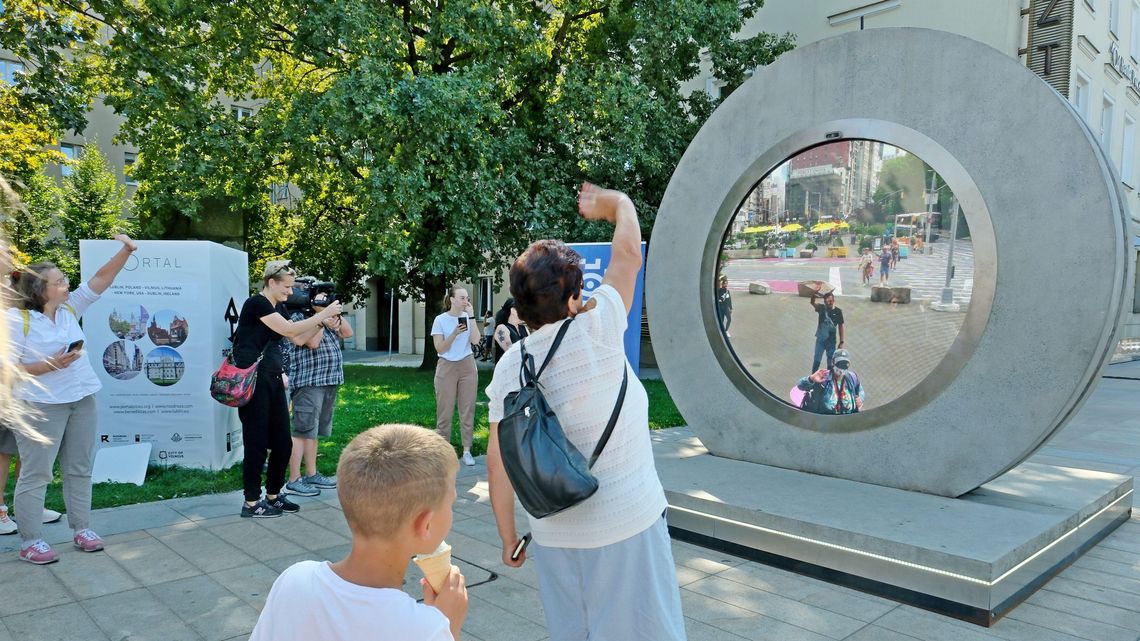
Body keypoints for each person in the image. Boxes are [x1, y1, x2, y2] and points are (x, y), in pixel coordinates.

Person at [486, 183, 686, 641]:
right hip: (628, 522)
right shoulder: (601, 327)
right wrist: (619, 203)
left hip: (554, 534)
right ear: (574, 299)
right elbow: (628, 256)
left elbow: (499, 462)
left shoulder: (510, 367)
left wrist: (507, 535)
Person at [249, 424, 468, 641]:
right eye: (451, 504)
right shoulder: (424, 629)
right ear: (425, 525)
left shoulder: (295, 579)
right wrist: (448, 628)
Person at [7, 234, 138, 564]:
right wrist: (48, 365)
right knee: (36, 474)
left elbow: (102, 278)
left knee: (79, 468)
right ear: (40, 290)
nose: (66, 284)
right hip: (39, 405)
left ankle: (82, 529)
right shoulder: (15, 320)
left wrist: (126, 250)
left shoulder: (68, 309)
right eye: (59, 281)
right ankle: (31, 541)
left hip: (81, 398)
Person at [231, 260, 343, 518]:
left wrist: (321, 323)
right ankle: (251, 503)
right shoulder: (257, 304)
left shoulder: (278, 306)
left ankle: (273, 495)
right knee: (256, 443)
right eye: (287, 287)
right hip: (254, 381)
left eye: (292, 287)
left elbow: (298, 338)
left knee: (282, 442)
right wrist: (322, 314)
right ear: (271, 282)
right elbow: (289, 328)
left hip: (272, 379)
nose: (291, 292)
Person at [282, 287, 353, 498]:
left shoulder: (325, 316)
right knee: (301, 431)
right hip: (308, 383)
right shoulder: (298, 318)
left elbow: (347, 333)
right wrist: (321, 318)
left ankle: (311, 474)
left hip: (328, 380)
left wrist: (332, 312)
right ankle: (294, 479)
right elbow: (311, 343)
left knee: (312, 432)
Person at [432, 287, 481, 467]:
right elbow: (440, 348)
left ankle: (467, 450)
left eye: (467, 298)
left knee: (467, 409)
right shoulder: (440, 320)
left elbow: (476, 340)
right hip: (446, 366)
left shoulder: (468, 317)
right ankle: (443, 453)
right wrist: (454, 333)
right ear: (452, 299)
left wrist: (472, 317)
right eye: (462, 298)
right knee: (444, 411)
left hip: (467, 365)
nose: (466, 301)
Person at [797, 349, 864, 414]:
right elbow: (800, 385)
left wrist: (860, 399)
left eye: (845, 364)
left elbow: (860, 391)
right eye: (839, 363)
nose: (842, 367)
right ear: (833, 362)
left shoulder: (853, 378)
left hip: (847, 419)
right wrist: (811, 379)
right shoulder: (823, 377)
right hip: (827, 419)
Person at [809, 285, 845, 373]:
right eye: (827, 302)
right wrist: (814, 293)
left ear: (834, 300)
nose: (829, 303)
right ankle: (813, 378)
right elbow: (812, 302)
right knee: (816, 361)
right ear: (824, 302)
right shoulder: (821, 308)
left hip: (831, 342)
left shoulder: (838, 311)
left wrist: (841, 342)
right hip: (820, 340)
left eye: (831, 301)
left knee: (830, 364)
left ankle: (830, 379)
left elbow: (841, 326)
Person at [492, 298, 528, 363]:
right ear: (513, 310)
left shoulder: (524, 328)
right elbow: (510, 351)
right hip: (506, 368)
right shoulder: (501, 328)